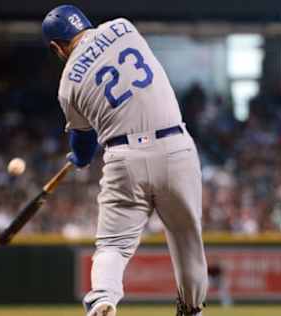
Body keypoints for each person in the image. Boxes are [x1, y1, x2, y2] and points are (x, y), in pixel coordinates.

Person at [42, 5, 208, 316]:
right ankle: (191, 309)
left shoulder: (67, 86)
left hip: (124, 156)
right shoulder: (123, 26)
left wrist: (77, 158)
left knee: (113, 246)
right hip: (175, 146)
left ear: (56, 46)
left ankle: (103, 299)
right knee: (187, 239)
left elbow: (84, 144)